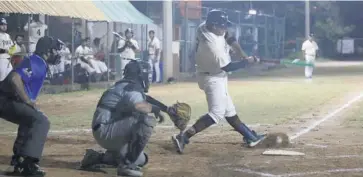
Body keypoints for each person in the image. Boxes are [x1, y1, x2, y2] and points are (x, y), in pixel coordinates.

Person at [171, 10, 265, 154]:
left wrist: (242, 55)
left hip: (213, 74)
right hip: (212, 78)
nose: (224, 28)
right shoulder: (213, 47)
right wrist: (246, 62)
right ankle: (184, 137)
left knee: (230, 111)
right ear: (214, 26)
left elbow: (229, 37)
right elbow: (228, 67)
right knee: (216, 113)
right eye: (222, 26)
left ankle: (250, 137)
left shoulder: (204, 26)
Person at [79, 59, 173, 176]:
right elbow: (140, 105)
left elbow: (145, 99)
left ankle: (98, 158)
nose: (147, 77)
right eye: (145, 73)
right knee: (145, 120)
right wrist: (155, 110)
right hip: (107, 129)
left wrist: (167, 109)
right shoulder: (131, 88)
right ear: (138, 74)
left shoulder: (125, 85)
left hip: (105, 127)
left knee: (142, 159)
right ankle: (126, 165)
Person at [0, 36, 62, 176]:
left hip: (6, 99)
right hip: (5, 99)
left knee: (29, 119)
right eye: (54, 50)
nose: (57, 54)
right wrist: (27, 101)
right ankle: (28, 163)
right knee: (41, 121)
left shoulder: (39, 62)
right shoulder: (36, 62)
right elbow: (14, 78)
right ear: (47, 51)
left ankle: (19, 163)